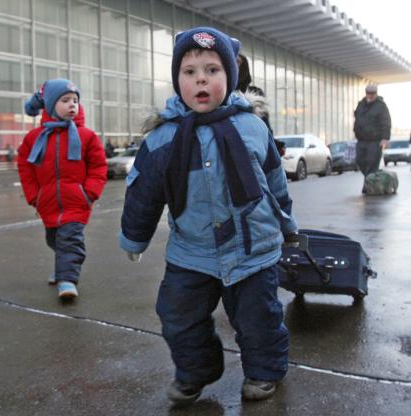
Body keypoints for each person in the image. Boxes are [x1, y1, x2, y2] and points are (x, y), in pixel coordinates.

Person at [119, 27, 297, 404]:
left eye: (213, 70)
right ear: (177, 81)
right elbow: (143, 194)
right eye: (190, 71)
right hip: (191, 251)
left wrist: (288, 226)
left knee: (259, 319)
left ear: (230, 79)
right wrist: (135, 238)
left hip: (253, 249)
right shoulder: (163, 138)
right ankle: (196, 370)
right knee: (178, 317)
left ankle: (264, 372)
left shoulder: (251, 127)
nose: (201, 78)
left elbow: (274, 181)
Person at [17, 79, 107, 299]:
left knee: (70, 239)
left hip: (76, 201)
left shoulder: (87, 136)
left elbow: (98, 166)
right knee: (54, 240)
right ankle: (62, 267)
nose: (72, 105)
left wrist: (89, 193)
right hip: (47, 202)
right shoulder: (34, 138)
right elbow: (25, 168)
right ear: (49, 105)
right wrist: (35, 197)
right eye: (65, 100)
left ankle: (67, 281)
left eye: (75, 101)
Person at [236, 53, 285, 156]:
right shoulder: (220, 94)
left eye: (237, 63)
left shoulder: (255, 94)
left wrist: (274, 147)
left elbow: (265, 127)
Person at [353, 84, 391, 193]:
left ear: (376, 93)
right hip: (361, 139)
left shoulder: (381, 106)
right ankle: (370, 181)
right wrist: (355, 130)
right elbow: (357, 119)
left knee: (372, 163)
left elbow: (386, 122)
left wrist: (385, 138)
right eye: (369, 93)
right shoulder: (361, 105)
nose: (370, 96)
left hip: (375, 141)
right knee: (359, 161)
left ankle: (369, 186)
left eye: (373, 94)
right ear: (366, 93)